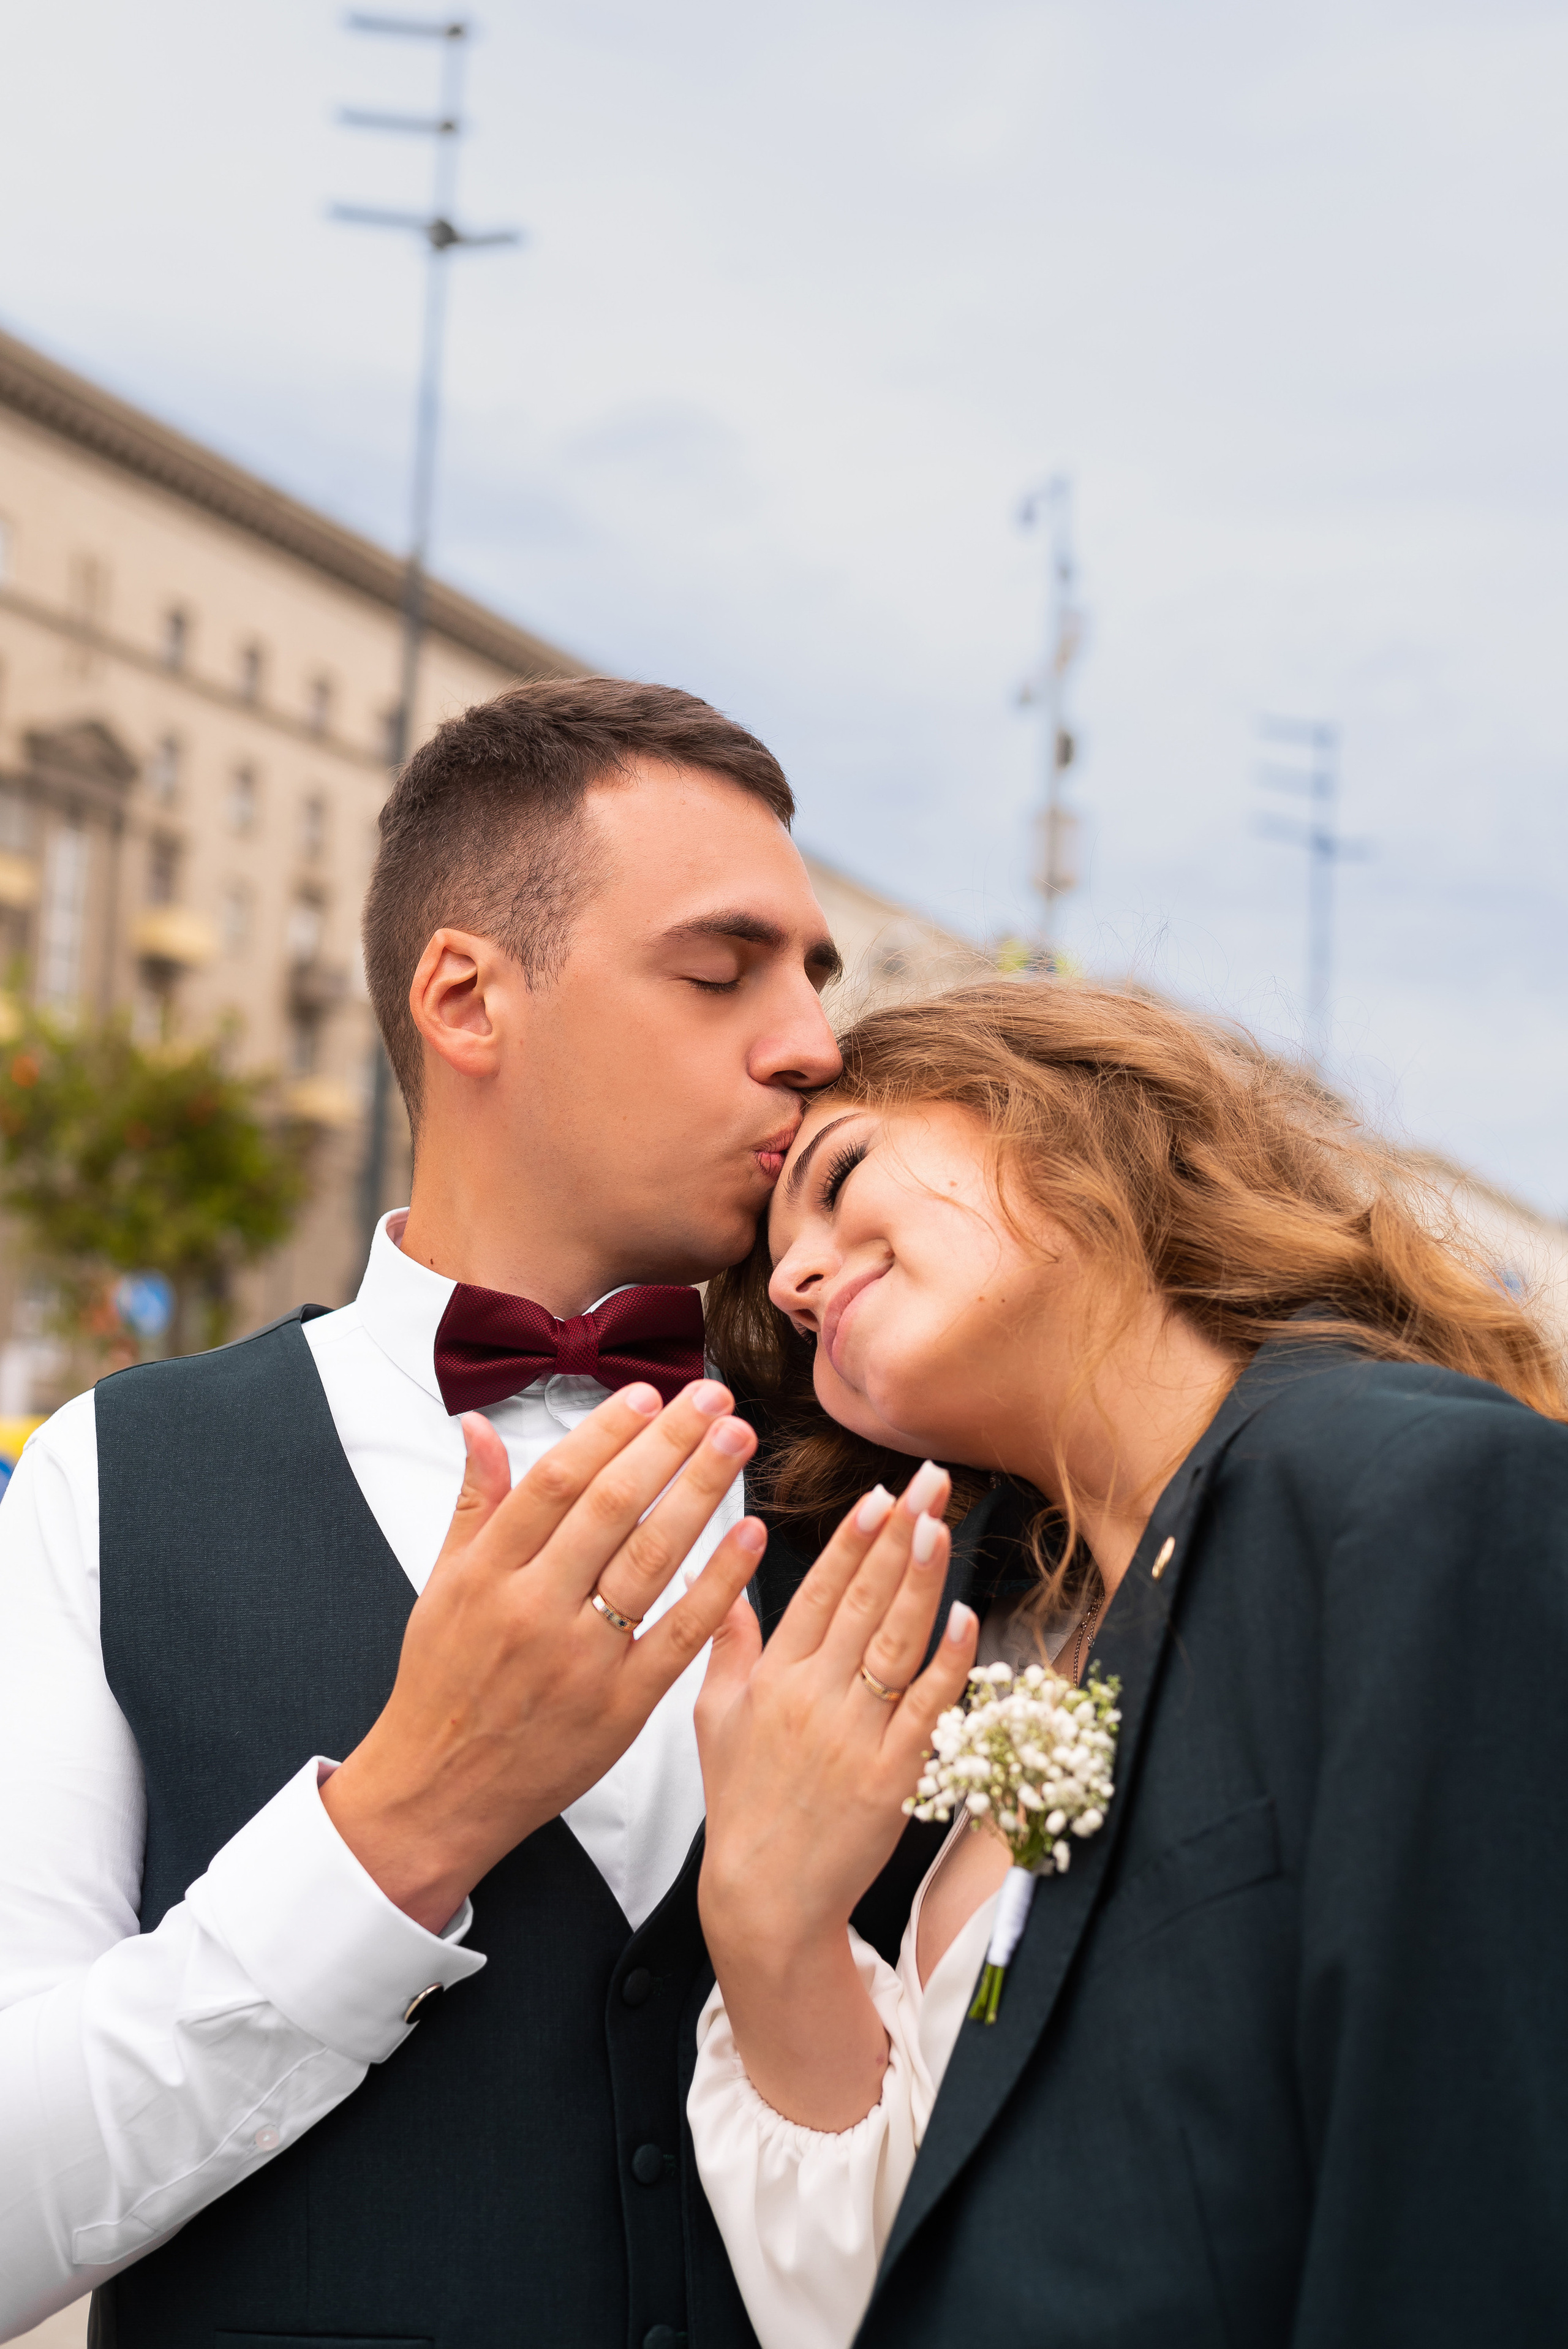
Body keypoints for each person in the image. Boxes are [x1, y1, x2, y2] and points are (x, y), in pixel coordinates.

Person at [0, 678, 846, 2347]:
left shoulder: (895, 1490)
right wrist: (401, 1825)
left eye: (821, 976)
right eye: (719, 968)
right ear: (468, 997)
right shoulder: (118, 1474)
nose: (814, 1042)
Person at [689, 978, 1568, 2349]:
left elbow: (1466, 2211)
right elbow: (891, 2286)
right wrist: (766, 1921)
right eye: (784, 1303)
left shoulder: (1415, 1492)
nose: (795, 1278)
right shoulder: (996, 1660)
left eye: (840, 1173)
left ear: (1057, 1118)